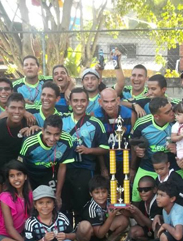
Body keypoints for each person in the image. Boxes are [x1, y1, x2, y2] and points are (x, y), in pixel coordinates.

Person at [61, 88, 109, 224]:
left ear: (87, 102)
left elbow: (105, 148)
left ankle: (85, 233)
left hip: (86, 169)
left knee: (83, 203)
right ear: (70, 102)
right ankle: (69, 233)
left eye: (83, 100)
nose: (79, 104)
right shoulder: (62, 121)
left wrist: (89, 150)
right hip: (65, 168)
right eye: (75, 100)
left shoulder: (95, 123)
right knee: (66, 203)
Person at [130, 97, 179, 204]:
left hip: (174, 166)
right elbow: (134, 141)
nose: (172, 113)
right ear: (156, 116)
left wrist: (179, 148)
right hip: (148, 166)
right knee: (135, 198)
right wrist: (137, 149)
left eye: (171, 109)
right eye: (168, 112)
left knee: (179, 196)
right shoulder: (142, 123)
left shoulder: (179, 121)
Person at [75, 175, 129, 241]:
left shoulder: (109, 201)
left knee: (123, 220)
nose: (101, 195)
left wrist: (124, 207)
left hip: (103, 229)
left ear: (108, 192)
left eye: (103, 192)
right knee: (85, 226)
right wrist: (111, 217)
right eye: (97, 192)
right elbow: (99, 234)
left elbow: (127, 214)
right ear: (90, 194)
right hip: (90, 235)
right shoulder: (91, 208)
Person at [18, 115, 74, 196]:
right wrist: (29, 192)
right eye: (48, 133)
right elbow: (21, 168)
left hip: (50, 173)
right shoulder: (29, 142)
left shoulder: (67, 140)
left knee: (54, 200)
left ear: (61, 132)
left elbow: (62, 167)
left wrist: (58, 195)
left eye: (56, 134)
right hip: (31, 174)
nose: (52, 138)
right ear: (42, 130)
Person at [94, 88, 136, 181]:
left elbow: (133, 143)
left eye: (112, 101)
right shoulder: (95, 115)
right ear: (100, 102)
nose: (110, 105)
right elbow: (97, 144)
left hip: (125, 159)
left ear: (118, 100)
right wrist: (103, 167)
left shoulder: (130, 114)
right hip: (106, 159)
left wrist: (132, 168)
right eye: (106, 102)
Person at [0, 93, 29, 173]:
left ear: (24, 110)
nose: (17, 111)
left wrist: (35, 130)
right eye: (13, 108)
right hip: (0, 169)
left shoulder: (29, 123)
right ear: (6, 109)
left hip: (22, 170)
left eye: (20, 108)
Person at [123, 176, 162, 241]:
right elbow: (142, 224)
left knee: (158, 229)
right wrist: (133, 213)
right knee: (133, 231)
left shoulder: (157, 203)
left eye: (146, 189)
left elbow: (152, 225)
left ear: (154, 189)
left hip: (158, 230)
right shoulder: (142, 203)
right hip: (149, 230)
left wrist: (137, 212)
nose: (143, 192)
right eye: (140, 190)